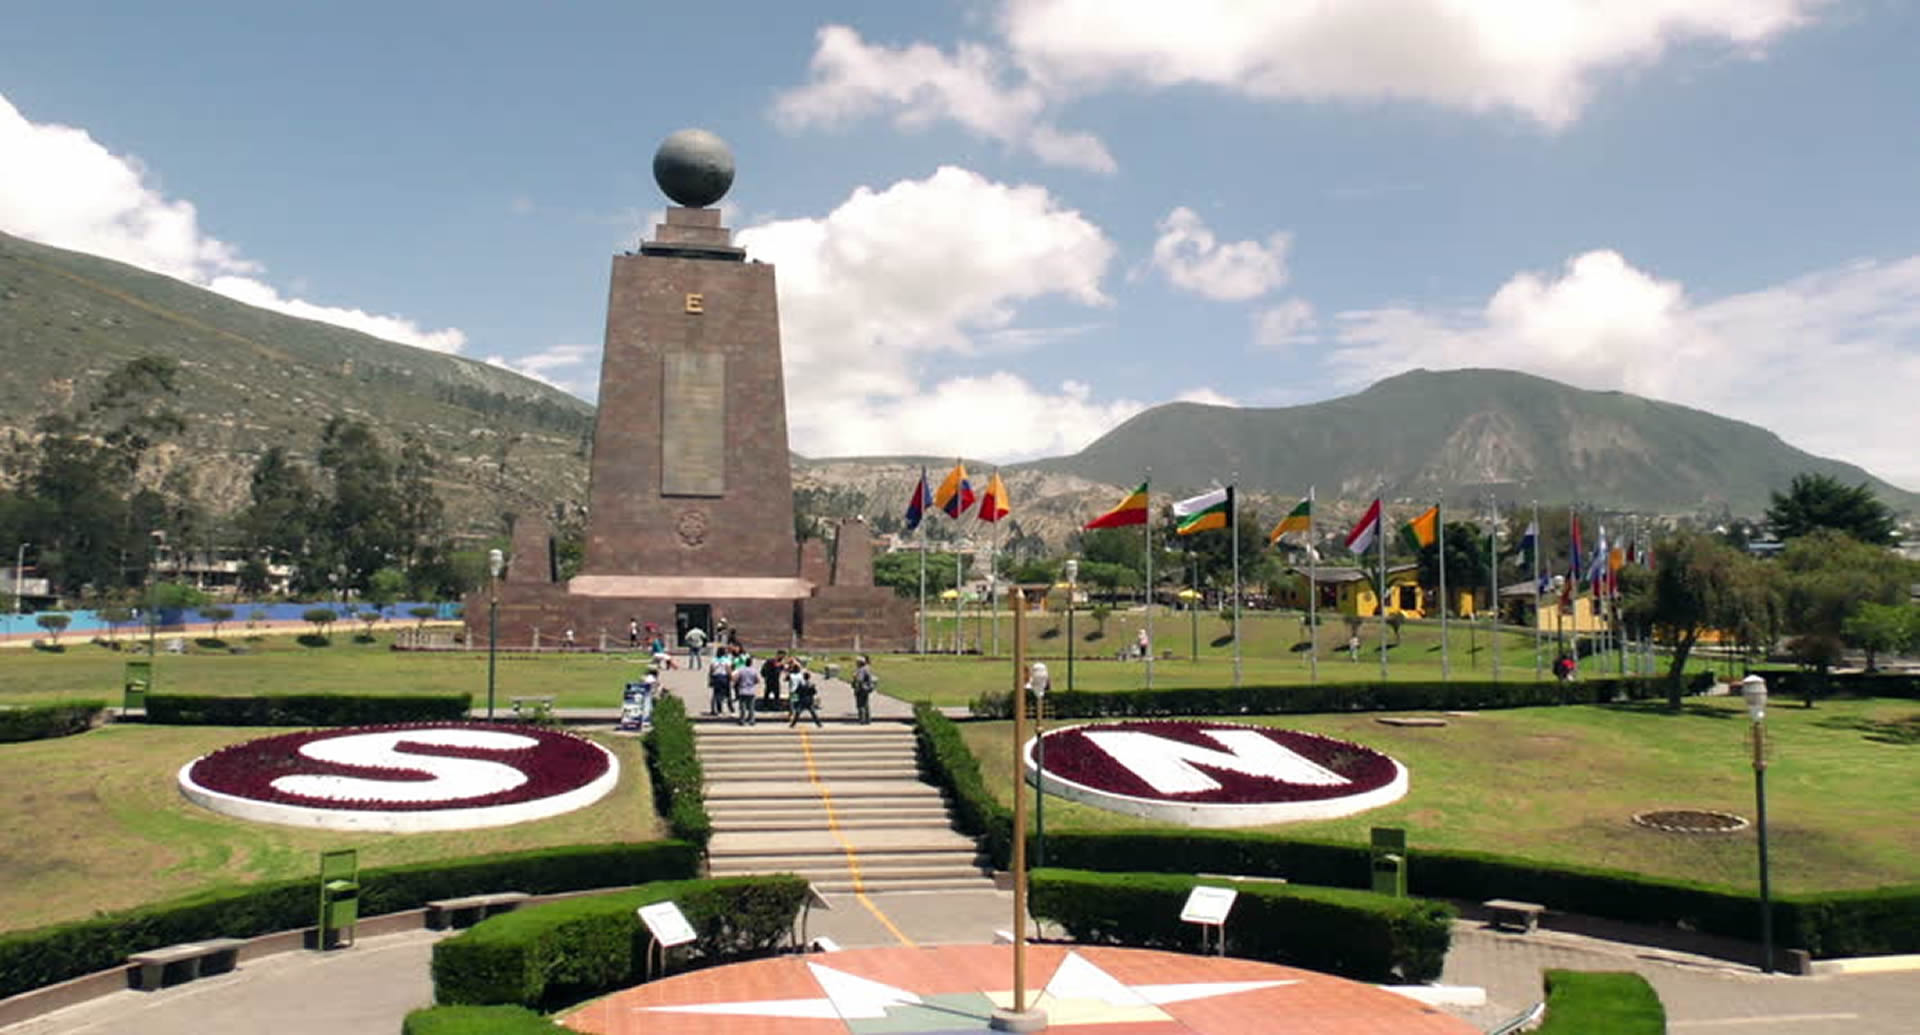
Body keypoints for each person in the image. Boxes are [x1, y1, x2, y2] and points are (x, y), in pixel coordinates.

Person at [731, 659, 761, 725]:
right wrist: (753, 682)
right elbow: (758, 680)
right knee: (751, 707)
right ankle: (752, 720)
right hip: (751, 691)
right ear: (751, 663)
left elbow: (736, 678)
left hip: (742, 690)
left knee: (743, 707)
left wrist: (737, 683)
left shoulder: (741, 670)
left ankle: (742, 720)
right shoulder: (754, 671)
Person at [851, 655, 876, 725]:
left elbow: (859, 680)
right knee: (866, 704)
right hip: (866, 689)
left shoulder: (861, 670)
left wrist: (856, 686)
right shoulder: (867, 668)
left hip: (861, 689)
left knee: (861, 705)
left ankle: (862, 720)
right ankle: (867, 720)